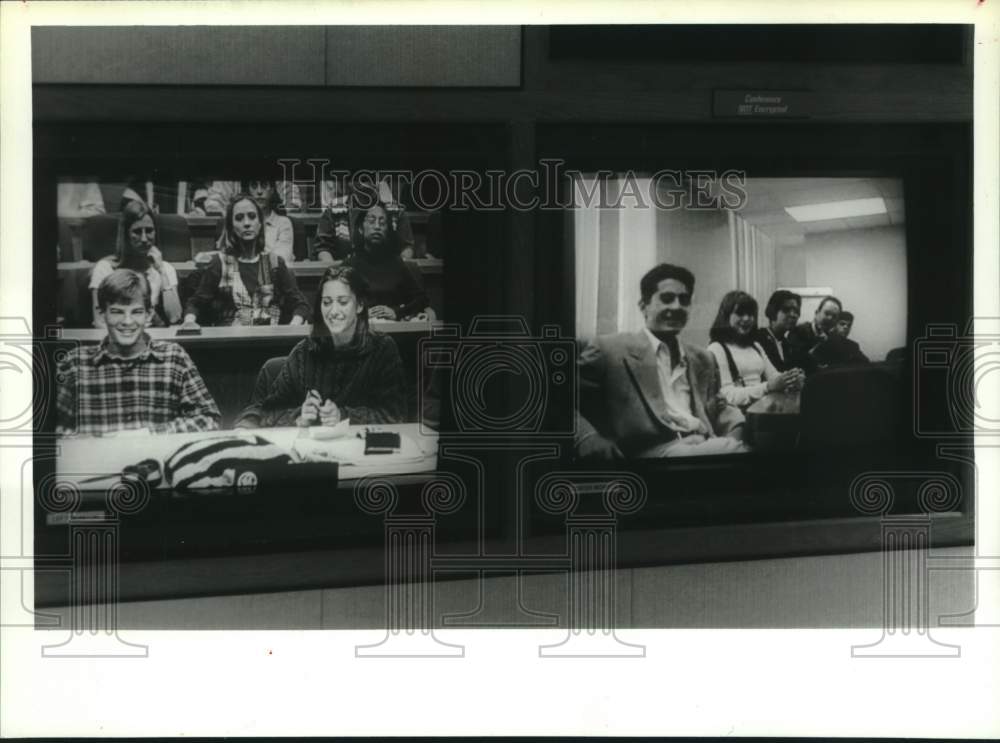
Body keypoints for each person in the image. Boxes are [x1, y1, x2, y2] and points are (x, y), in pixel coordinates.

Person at [575, 263, 746, 459]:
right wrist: (587, 437)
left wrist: (737, 426)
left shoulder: (703, 358)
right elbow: (559, 401)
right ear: (643, 306)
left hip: (703, 445)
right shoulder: (610, 349)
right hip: (650, 455)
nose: (676, 307)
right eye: (666, 298)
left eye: (684, 300)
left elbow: (719, 405)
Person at [235, 265, 407, 428]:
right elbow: (269, 413)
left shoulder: (383, 348)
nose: (333, 311)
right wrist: (299, 416)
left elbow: (395, 415)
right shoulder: (304, 351)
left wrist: (344, 416)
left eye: (343, 302)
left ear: (360, 305)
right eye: (326, 302)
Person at [56, 269, 221, 436]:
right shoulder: (75, 363)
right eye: (117, 312)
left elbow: (209, 419)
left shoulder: (173, 358)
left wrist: (149, 434)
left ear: (149, 314)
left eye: (136, 312)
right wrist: (97, 441)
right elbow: (49, 430)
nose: (127, 322)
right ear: (102, 314)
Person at [182, 194, 309, 327]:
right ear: (231, 227)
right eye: (239, 218)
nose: (247, 223)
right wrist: (189, 321)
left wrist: (294, 325)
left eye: (252, 217)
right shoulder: (219, 263)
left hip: (270, 341)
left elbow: (300, 304)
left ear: (260, 223)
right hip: (228, 342)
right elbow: (195, 303)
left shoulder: (275, 263)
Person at [89, 199, 182, 328]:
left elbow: (174, 317)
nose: (144, 239)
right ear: (126, 235)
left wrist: (162, 272)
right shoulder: (105, 268)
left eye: (149, 231)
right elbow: (100, 322)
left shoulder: (165, 268)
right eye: (137, 232)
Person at [707, 290, 804, 410]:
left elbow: (773, 376)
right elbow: (727, 395)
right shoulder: (717, 348)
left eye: (751, 314)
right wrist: (767, 387)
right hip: (741, 417)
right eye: (740, 313)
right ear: (726, 316)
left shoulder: (755, 346)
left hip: (761, 410)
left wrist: (791, 380)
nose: (747, 319)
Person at [346, 203, 432, 321]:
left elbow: (421, 300)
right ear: (361, 229)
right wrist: (361, 314)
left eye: (382, 223)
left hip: (394, 326)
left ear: (388, 230)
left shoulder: (397, 263)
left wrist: (396, 312)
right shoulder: (349, 266)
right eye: (371, 221)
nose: (377, 227)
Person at [313, 177, 416, 263]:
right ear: (350, 182)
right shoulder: (334, 209)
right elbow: (323, 249)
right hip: (345, 275)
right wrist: (337, 273)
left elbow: (406, 247)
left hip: (385, 274)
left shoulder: (395, 210)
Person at [787, 295, 842, 374]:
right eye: (827, 313)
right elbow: (794, 362)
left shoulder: (835, 338)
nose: (830, 318)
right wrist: (820, 345)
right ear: (817, 313)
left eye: (834, 316)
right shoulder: (797, 332)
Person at [247, 179, 295, 263]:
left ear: (272, 190)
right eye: (254, 186)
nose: (259, 192)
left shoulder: (283, 223)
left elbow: (281, 259)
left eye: (264, 186)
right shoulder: (242, 223)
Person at [754, 289, 802, 372]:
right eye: (786, 310)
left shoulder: (788, 345)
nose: (793, 315)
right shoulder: (758, 338)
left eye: (796, 311)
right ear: (773, 311)